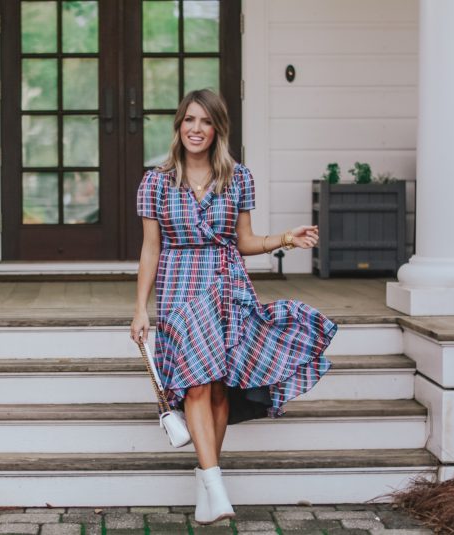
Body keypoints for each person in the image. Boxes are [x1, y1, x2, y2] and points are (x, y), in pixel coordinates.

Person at [130, 89, 338, 525]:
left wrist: (285, 238)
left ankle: (208, 483)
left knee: (220, 388)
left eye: (205, 122)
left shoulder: (238, 178)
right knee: (197, 386)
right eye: (189, 120)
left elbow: (244, 241)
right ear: (178, 126)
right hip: (179, 287)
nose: (196, 129)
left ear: (218, 129)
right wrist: (140, 308)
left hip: (227, 284)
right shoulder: (156, 181)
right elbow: (151, 250)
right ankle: (216, 486)